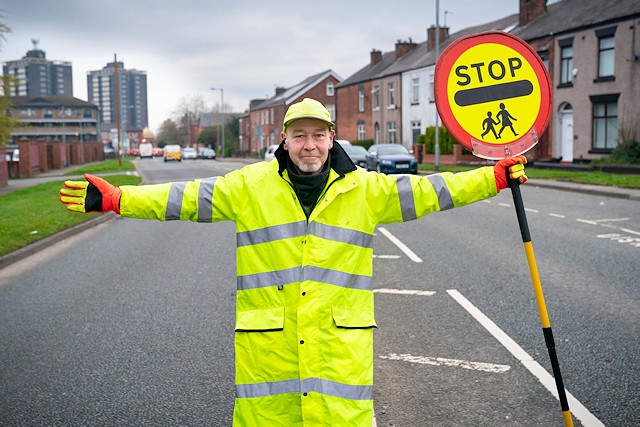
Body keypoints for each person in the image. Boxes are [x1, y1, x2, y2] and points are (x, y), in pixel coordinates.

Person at [59, 98, 527, 426]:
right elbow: (185, 198)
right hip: (271, 355)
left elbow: (430, 192)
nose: (309, 145)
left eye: (318, 136)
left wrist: (493, 178)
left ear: (331, 139)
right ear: (284, 140)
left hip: (338, 354)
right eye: (299, 136)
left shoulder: (365, 189)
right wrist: (120, 198)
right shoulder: (250, 186)